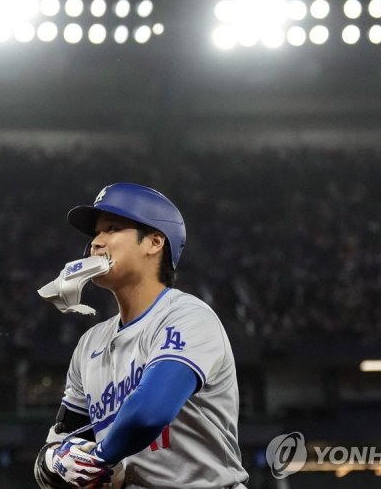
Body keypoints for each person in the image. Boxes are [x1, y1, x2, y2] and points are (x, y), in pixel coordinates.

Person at [34, 183, 249, 488]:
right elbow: (57, 446)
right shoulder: (89, 344)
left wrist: (97, 458)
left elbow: (150, 412)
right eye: (96, 233)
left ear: (154, 242)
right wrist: (57, 461)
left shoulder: (188, 316)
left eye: (111, 228)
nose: (96, 243)